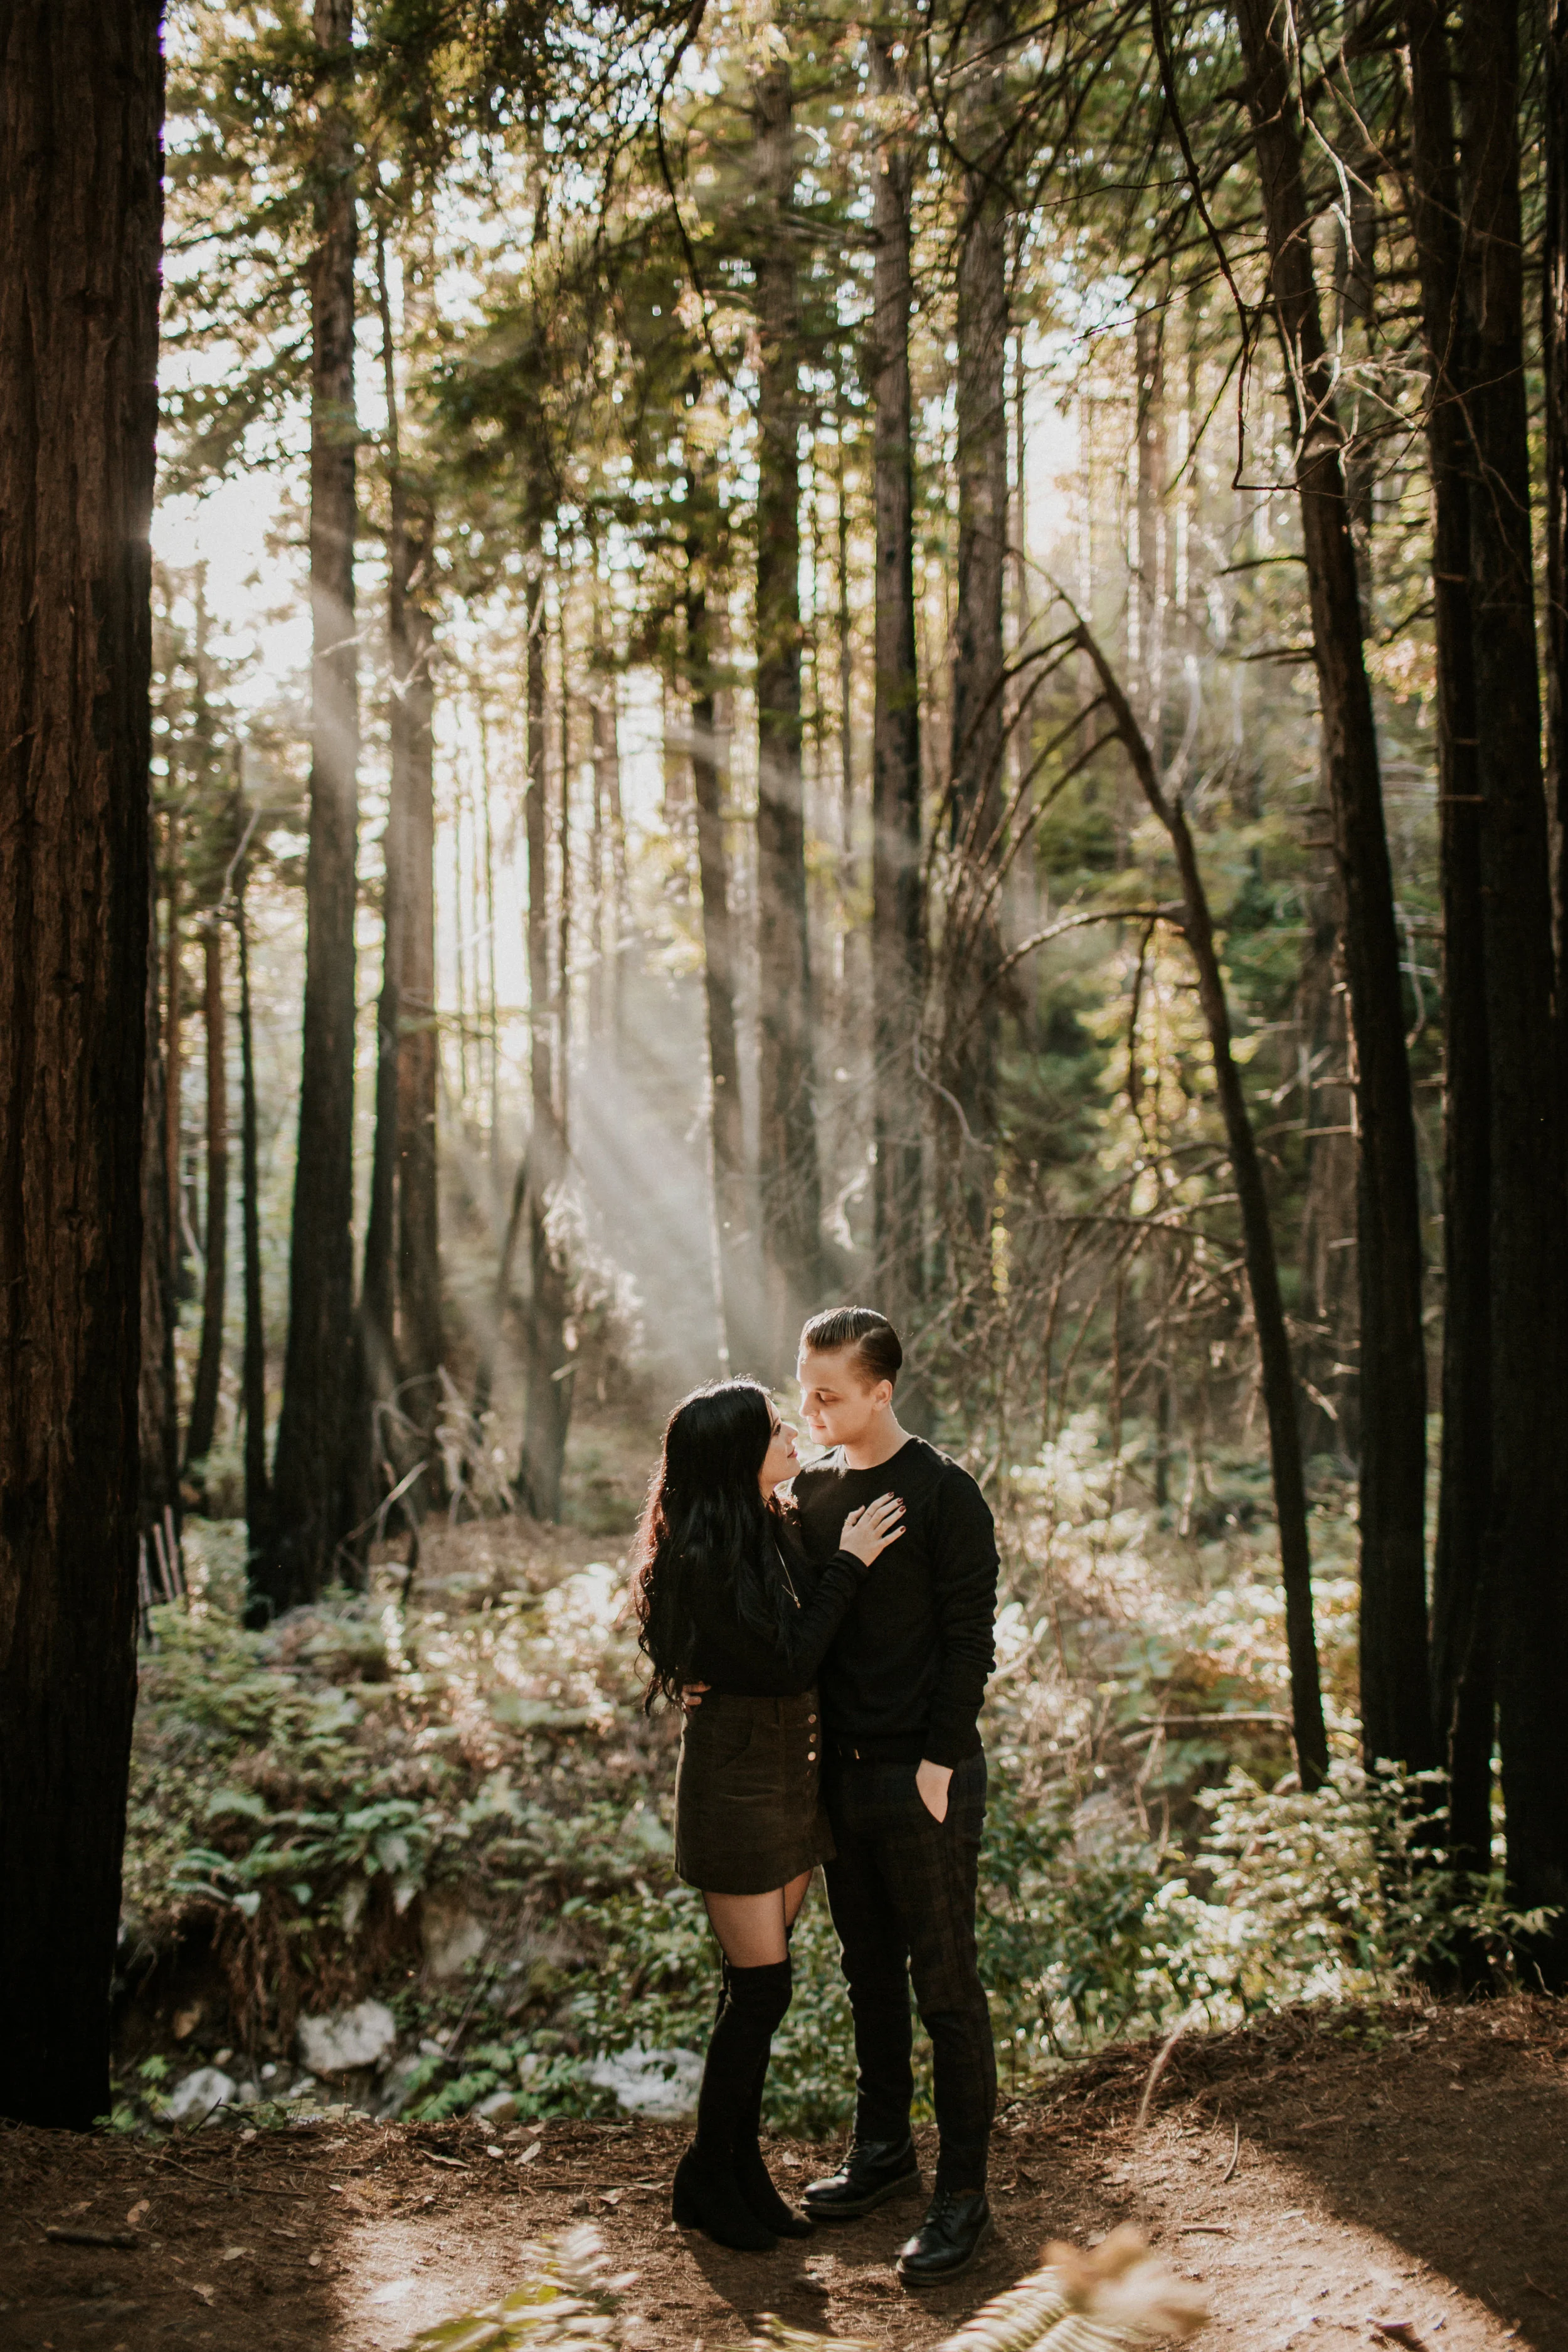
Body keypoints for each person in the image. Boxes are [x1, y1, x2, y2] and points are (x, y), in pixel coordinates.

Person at [632, 1377, 906, 2253]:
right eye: (772, 1427)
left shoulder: (772, 1522)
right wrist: (852, 1563)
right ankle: (715, 2176)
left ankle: (724, 2173)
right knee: (761, 1990)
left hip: (795, 1779)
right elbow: (789, 1659)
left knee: (748, 1990)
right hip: (739, 1790)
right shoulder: (706, 1557)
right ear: (730, 1457)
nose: (792, 1432)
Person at [789, 1306, 999, 2287]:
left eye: (830, 1391)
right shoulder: (809, 1493)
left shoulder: (946, 1491)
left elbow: (970, 1639)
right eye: (806, 1387)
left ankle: (962, 2193)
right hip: (842, 1778)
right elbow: (795, 1629)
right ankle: (884, 2155)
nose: (812, 1406)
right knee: (867, 1976)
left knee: (945, 1990)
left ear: (882, 1390)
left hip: (925, 1777)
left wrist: (940, 1760)